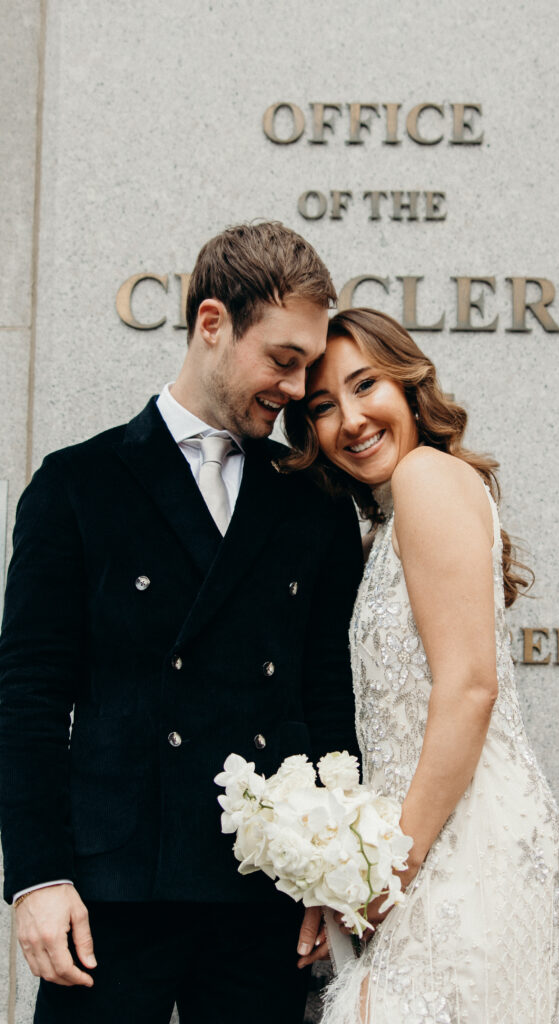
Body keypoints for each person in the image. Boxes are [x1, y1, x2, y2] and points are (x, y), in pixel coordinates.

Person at [0, 222, 363, 1023]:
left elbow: (327, 696)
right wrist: (36, 879)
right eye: (283, 360)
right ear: (211, 324)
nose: (298, 390)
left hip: (264, 898)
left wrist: (332, 875)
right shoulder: (77, 485)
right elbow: (27, 698)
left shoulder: (315, 502)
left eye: (306, 365)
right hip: (108, 893)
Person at [285, 308, 559, 1024]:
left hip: (464, 842)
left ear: (409, 388)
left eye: (364, 385)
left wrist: (386, 877)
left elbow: (469, 689)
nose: (349, 420)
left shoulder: (425, 478)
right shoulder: (382, 523)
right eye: (322, 407)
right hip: (423, 840)